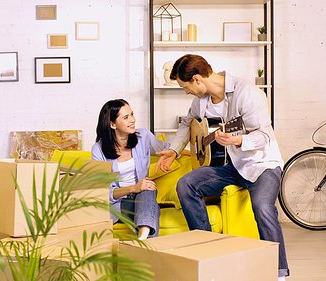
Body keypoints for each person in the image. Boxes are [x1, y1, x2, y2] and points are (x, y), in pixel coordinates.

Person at [155, 54, 289, 278]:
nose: (186, 92)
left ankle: (278, 272)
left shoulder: (247, 93)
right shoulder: (201, 100)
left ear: (197, 79)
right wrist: (175, 149)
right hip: (233, 166)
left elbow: (265, 136)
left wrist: (238, 140)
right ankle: (208, 253)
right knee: (186, 184)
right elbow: (187, 122)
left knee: (263, 208)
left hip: (262, 165)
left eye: (185, 87)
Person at [92, 99, 170, 239]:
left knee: (147, 190)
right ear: (112, 124)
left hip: (143, 198)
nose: (132, 120)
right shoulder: (99, 150)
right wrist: (134, 188)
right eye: (126, 117)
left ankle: (143, 238)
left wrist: (198, 151)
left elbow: (169, 149)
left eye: (132, 114)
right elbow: (103, 192)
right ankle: (145, 241)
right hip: (118, 205)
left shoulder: (143, 137)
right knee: (146, 192)